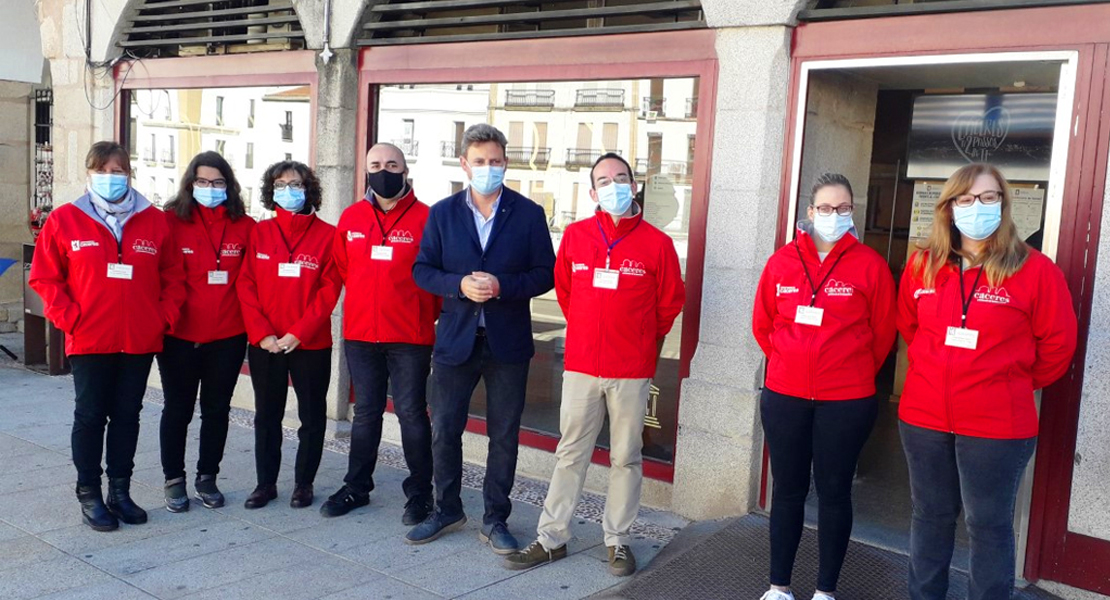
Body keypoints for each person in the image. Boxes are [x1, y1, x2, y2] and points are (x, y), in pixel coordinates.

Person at [897, 163, 1076, 600]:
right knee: (930, 517)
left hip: (997, 428)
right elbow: (910, 329)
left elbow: (1057, 347)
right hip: (924, 420)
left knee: (989, 527)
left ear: (1004, 204)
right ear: (949, 207)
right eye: (966, 199)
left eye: (989, 197)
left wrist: (1007, 381)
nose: (977, 207)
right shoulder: (923, 265)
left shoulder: (1036, 271)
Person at [504, 153, 685, 576]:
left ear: (634, 185)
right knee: (570, 454)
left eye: (621, 178)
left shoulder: (657, 244)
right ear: (592, 192)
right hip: (582, 365)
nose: (614, 185)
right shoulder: (576, 235)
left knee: (626, 456)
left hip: (631, 368)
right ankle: (552, 539)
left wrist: (641, 340)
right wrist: (588, 329)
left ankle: (618, 541)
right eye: (604, 180)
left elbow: (669, 303)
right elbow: (566, 292)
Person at [750, 174, 898, 600]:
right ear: (810, 213)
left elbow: (883, 332)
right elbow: (763, 323)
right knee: (788, 490)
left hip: (846, 401)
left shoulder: (869, 265)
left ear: (853, 212)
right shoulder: (782, 262)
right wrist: (787, 360)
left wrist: (848, 372)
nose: (836, 216)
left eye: (844, 208)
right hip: (785, 396)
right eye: (827, 209)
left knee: (834, 494)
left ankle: (825, 590)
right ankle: (779, 586)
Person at [409, 123, 556, 552]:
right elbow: (422, 270)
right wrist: (457, 285)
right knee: (445, 429)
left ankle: (495, 518)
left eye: (495, 161)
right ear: (464, 164)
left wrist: (502, 285)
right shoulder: (442, 213)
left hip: (507, 344)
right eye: (479, 161)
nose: (488, 168)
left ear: (505, 162)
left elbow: (545, 273)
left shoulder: (528, 213)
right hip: (456, 339)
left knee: (504, 434)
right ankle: (446, 508)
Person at [29, 141, 185, 531]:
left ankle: (120, 491)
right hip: (89, 338)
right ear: (88, 175)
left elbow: (174, 278)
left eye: (119, 171)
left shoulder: (154, 220)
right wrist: (71, 319)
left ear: (130, 174)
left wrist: (160, 319)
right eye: (103, 171)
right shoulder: (64, 220)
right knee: (90, 415)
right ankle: (89, 493)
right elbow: (45, 278)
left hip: (138, 339)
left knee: (127, 416)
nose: (111, 178)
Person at [319, 143, 438, 525]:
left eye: (391, 164)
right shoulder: (351, 218)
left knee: (411, 414)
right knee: (366, 413)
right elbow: (342, 269)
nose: (383, 171)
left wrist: (420, 316)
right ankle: (357, 486)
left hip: (410, 337)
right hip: (361, 335)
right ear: (366, 171)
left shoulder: (428, 218)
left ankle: (420, 493)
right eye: (375, 165)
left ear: (405, 170)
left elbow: (437, 278)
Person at [236, 160, 342, 510]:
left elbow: (329, 290)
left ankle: (304, 483)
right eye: (280, 184)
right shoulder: (259, 233)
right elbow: (245, 283)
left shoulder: (329, 236)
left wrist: (298, 333)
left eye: (295, 184)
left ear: (308, 189)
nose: (288, 190)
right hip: (265, 342)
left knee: (311, 416)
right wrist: (263, 333)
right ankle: (265, 483)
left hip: (309, 343)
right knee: (267, 415)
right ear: (271, 191)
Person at [158, 151, 255, 513]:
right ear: (189, 184)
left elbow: (251, 282)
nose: (209, 188)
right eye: (202, 182)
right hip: (178, 337)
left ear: (228, 187)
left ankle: (207, 477)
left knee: (216, 410)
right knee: (177, 410)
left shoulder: (246, 227)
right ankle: (174, 480)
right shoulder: (169, 222)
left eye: (217, 183)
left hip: (228, 337)